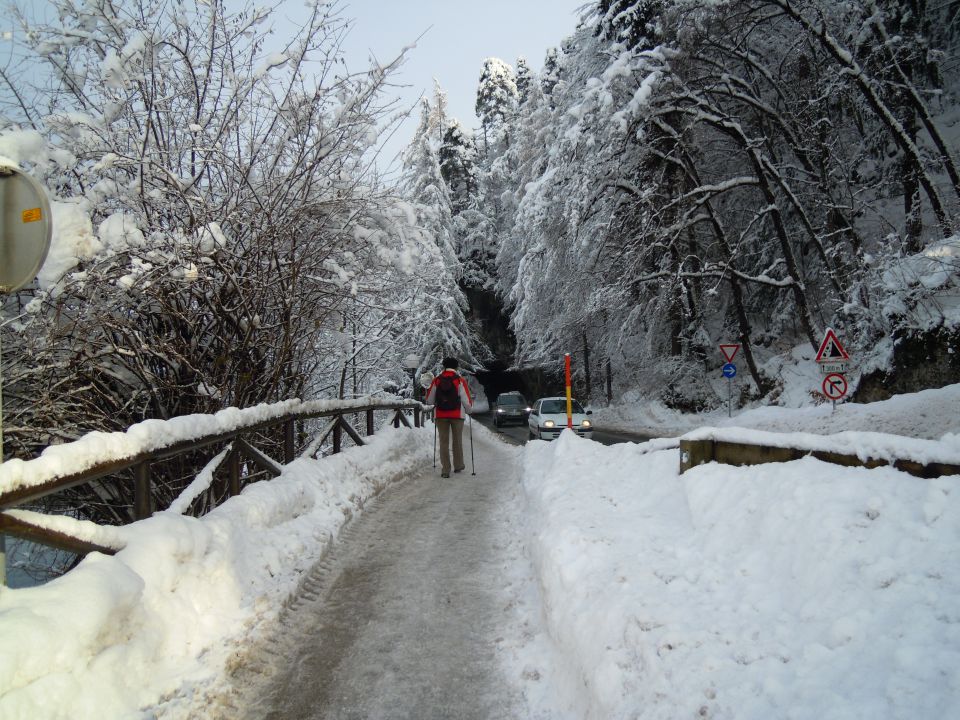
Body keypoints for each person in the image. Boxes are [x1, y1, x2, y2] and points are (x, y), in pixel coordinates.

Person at [425, 357, 473, 478]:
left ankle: (445, 470)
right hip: (457, 415)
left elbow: (429, 400)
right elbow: (466, 400)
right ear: (456, 367)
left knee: (443, 442)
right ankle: (458, 466)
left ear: (444, 366)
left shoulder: (436, 380)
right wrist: (469, 410)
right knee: (457, 441)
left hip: (440, 415)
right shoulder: (460, 380)